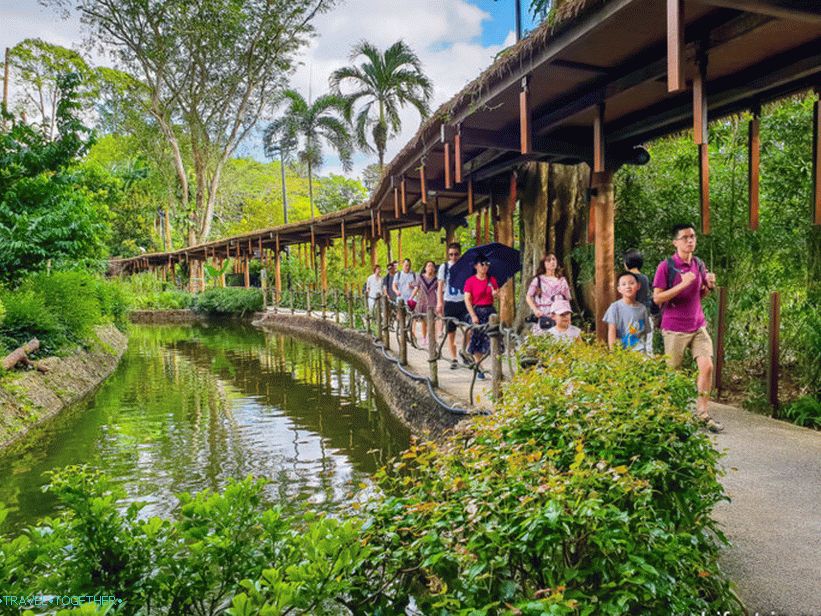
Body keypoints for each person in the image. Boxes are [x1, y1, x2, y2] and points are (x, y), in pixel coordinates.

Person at [653, 223, 723, 433]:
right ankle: (667, 414)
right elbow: (657, 298)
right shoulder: (666, 266)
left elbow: (700, 294)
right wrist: (682, 284)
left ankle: (702, 414)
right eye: (685, 238)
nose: (690, 240)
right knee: (673, 372)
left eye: (692, 237)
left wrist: (709, 285)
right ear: (675, 242)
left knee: (707, 366)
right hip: (674, 327)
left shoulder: (699, 264)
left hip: (697, 325)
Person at [463, 254, 499, 380]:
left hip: (490, 311)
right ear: (476, 266)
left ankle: (495, 368)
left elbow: (496, 295)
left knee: (493, 339)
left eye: (487, 264)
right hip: (477, 310)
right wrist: (473, 315)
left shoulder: (492, 280)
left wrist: (495, 294)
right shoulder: (470, 281)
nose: (484, 267)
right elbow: (467, 299)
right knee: (476, 340)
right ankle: (480, 367)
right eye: (482, 264)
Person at [437, 242, 470, 370]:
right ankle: (454, 358)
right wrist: (440, 302)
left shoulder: (466, 267)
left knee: (469, 329)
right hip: (450, 302)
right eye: (451, 254)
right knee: (451, 333)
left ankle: (464, 350)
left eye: (456, 254)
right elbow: (440, 286)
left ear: (459, 254)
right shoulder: (444, 267)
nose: (453, 257)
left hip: (463, 302)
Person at [525, 252, 572, 335]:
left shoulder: (562, 280)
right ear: (544, 264)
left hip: (559, 315)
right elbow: (528, 296)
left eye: (554, 259)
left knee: (560, 340)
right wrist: (535, 310)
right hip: (544, 315)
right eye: (548, 260)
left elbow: (567, 299)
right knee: (543, 341)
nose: (552, 262)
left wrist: (568, 316)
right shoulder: (538, 280)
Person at [604, 271, 649, 354]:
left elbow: (646, 332)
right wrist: (613, 352)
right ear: (619, 289)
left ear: (638, 286)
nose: (628, 286)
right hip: (622, 352)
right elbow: (611, 332)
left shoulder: (642, 309)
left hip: (640, 352)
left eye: (631, 283)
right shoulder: (614, 308)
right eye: (624, 284)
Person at [624, 249, 655, 354]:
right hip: (646, 316)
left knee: (632, 347)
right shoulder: (645, 278)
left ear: (626, 263)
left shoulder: (627, 280)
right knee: (648, 347)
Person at [412, 260, 438, 346]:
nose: (430, 268)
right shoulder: (420, 277)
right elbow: (416, 288)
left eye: (432, 266)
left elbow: (439, 291)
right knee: (423, 321)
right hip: (422, 301)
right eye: (428, 266)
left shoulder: (436, 279)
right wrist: (411, 298)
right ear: (425, 268)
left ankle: (432, 339)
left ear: (434, 269)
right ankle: (424, 338)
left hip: (432, 302)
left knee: (432, 322)